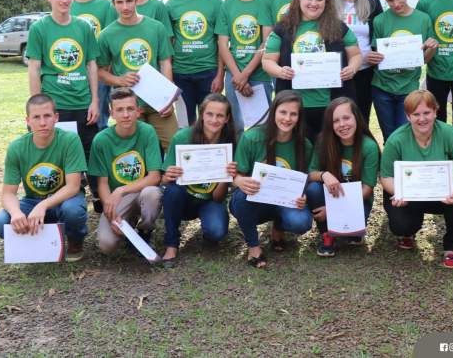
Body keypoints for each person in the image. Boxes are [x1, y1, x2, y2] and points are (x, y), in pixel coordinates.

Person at [379, 90, 453, 268]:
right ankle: (407, 233)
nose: (422, 119)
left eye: (426, 113)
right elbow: (385, 175)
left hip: (442, 195)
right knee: (401, 225)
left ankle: (451, 247)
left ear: (435, 111)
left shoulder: (449, 133)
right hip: (410, 197)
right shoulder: (396, 140)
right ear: (408, 116)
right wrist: (399, 193)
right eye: (416, 114)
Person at [27, 0, 101, 211]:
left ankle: (101, 203)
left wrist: (95, 101)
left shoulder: (83, 27)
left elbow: (91, 65)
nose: (64, 0)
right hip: (55, 108)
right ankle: (55, 206)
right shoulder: (39, 28)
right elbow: (34, 68)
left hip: (83, 105)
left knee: (92, 156)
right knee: (54, 157)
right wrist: (38, 108)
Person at [263, 0, 363, 141]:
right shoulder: (283, 28)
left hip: (333, 105)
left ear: (326, 2)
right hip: (295, 108)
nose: (313, 3)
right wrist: (280, 71)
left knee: (331, 152)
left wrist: (351, 69)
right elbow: (267, 60)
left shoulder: (338, 27)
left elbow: (356, 55)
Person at [0, 94, 88, 262]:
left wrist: (43, 206)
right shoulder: (16, 147)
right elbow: (8, 194)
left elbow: (73, 186)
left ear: (56, 117)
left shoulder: (70, 140)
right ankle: (42, 234)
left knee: (73, 211)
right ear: (28, 120)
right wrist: (15, 213)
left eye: (47, 116)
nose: (42, 123)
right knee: (1, 223)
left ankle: (75, 239)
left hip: (65, 200)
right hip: (32, 201)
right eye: (36, 117)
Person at [229, 91, 313, 268]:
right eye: (283, 112)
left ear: (299, 117)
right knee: (243, 195)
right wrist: (239, 181)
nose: (287, 118)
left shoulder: (304, 145)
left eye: (293, 114)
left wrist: (302, 196)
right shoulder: (251, 137)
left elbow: (302, 180)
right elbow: (237, 174)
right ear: (273, 111)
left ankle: (278, 228)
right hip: (253, 202)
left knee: (301, 223)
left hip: (283, 201)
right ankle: (253, 246)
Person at [97, 0, 179, 151]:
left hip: (157, 102)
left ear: (136, 0)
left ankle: (169, 179)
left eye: (129, 1)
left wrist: (168, 99)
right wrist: (121, 80)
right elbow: (100, 73)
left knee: (175, 147)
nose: (125, 6)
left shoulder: (156, 27)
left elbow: (165, 63)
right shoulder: (106, 35)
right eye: (119, 2)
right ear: (113, 4)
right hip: (128, 105)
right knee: (135, 153)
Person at [159, 93, 239, 268]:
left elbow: (218, 198)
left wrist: (226, 178)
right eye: (209, 114)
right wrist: (168, 175)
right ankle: (171, 244)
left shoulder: (230, 146)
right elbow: (165, 182)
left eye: (220, 115)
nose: (214, 120)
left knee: (217, 233)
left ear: (227, 118)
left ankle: (207, 228)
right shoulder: (182, 138)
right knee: (172, 188)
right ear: (201, 114)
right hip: (183, 199)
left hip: (210, 201)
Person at [88, 87, 163, 254]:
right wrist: (111, 214)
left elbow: (155, 177)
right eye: (119, 110)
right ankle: (128, 222)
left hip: (141, 192)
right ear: (111, 113)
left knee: (152, 193)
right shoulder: (101, 140)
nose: (126, 115)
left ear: (138, 111)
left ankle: (145, 232)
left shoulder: (147, 132)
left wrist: (121, 190)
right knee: (106, 246)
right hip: (117, 199)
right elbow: (103, 184)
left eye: (130, 109)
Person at [367, 0, 438, 142]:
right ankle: (390, 168)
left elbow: (424, 59)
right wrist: (372, 57)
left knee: (406, 135)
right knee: (388, 136)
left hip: (408, 87)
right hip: (382, 87)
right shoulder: (379, 21)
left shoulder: (423, 19)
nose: (396, 4)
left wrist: (432, 48)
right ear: (384, 0)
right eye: (390, 0)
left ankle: (405, 167)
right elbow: (377, 54)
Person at [307, 98, 380, 256]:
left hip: (358, 201)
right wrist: (324, 174)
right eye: (335, 121)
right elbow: (310, 175)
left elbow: (366, 191)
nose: (342, 125)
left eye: (346, 118)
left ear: (357, 118)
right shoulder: (324, 141)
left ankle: (350, 230)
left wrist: (334, 210)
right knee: (313, 189)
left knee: (352, 234)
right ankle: (327, 235)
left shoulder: (369, 146)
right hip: (331, 196)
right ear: (330, 124)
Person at [215, 0, 274, 136]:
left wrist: (246, 74)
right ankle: (240, 165)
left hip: (260, 75)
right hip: (234, 77)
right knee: (235, 128)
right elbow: (223, 45)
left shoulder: (266, 1)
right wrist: (238, 76)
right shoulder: (227, 5)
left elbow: (267, 41)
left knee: (263, 129)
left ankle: (262, 165)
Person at [166, 0, 225, 125]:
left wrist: (220, 74)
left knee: (211, 122)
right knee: (185, 124)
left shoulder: (216, 3)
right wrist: (169, 77)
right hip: (180, 73)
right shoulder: (171, 5)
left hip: (209, 72)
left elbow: (221, 43)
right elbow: (168, 45)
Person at [332, 0, 385, 124]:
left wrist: (375, 53)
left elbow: (380, 34)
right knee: (337, 118)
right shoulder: (328, 2)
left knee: (361, 118)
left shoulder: (373, 2)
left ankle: (361, 150)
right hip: (336, 72)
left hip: (364, 72)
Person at [70, 0, 114, 130]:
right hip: (75, 71)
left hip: (100, 69)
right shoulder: (68, 5)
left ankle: (100, 151)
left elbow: (111, 39)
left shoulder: (106, 5)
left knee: (100, 117)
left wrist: (107, 70)